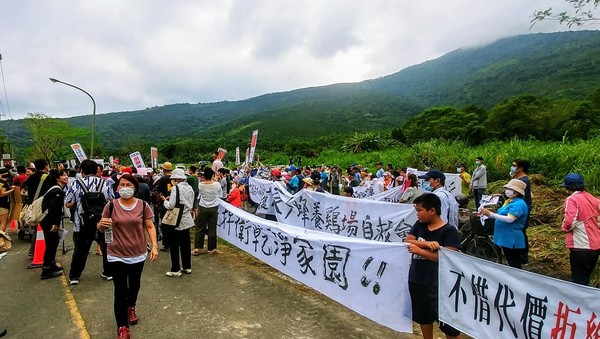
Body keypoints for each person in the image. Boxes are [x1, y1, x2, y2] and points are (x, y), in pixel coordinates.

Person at [97, 174, 158, 338]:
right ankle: (122, 327)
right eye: (122, 184)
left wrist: (154, 246)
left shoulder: (143, 206)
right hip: (116, 254)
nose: (125, 187)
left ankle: (131, 306)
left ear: (134, 188)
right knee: (120, 290)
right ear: (118, 188)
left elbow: (150, 226)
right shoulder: (110, 206)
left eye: (129, 185)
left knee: (135, 284)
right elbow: (101, 227)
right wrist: (101, 225)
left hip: (138, 253)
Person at [405, 193, 461, 339]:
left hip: (438, 284)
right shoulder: (420, 225)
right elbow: (408, 240)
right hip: (417, 279)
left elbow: (447, 258)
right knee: (423, 318)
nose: (417, 214)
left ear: (432, 211)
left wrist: (419, 251)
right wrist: (425, 244)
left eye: (419, 210)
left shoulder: (449, 231)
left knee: (448, 326)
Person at [65, 159, 114, 285]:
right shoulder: (105, 183)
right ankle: (108, 273)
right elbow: (112, 200)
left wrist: (80, 203)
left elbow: (68, 203)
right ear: (97, 170)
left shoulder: (76, 184)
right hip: (103, 222)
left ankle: (74, 276)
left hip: (82, 223)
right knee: (107, 248)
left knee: (80, 250)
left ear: (81, 171)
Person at [560, 173, 600, 286]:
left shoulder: (572, 199)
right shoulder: (593, 198)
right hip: (595, 245)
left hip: (581, 245)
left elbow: (569, 221)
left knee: (579, 280)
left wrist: (564, 228)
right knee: (586, 276)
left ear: (568, 188)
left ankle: (579, 303)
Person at [481, 179, 528, 269]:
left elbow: (510, 219)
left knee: (514, 263)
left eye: (510, 189)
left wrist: (491, 214)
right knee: (510, 260)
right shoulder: (510, 201)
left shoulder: (519, 204)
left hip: (511, 238)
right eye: (506, 188)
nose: (507, 191)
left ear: (517, 192)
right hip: (505, 237)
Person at [162, 169, 194, 277]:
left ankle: (175, 269)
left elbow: (171, 205)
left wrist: (165, 201)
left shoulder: (176, 188)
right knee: (186, 243)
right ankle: (187, 266)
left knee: (174, 244)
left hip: (176, 219)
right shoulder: (190, 188)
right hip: (187, 218)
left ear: (176, 179)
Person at [39, 169, 68, 280]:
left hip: (47, 220)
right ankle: (46, 270)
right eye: (64, 175)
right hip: (49, 221)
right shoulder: (56, 190)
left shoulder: (55, 188)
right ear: (57, 178)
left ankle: (52, 264)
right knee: (51, 244)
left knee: (54, 242)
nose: (66, 177)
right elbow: (53, 209)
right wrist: (55, 223)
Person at [193, 168, 223, 255]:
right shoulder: (217, 184)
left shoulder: (200, 185)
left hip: (203, 207)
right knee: (212, 228)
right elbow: (220, 195)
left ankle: (197, 248)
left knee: (200, 228)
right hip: (214, 207)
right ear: (212, 175)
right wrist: (215, 179)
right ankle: (211, 248)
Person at [510, 159, 532, 265]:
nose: (512, 167)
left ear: (521, 168)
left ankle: (522, 256)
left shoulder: (524, 180)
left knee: (521, 231)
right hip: (516, 207)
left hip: (521, 209)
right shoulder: (517, 177)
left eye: (514, 165)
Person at [155, 162, 173, 252]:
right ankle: (174, 243)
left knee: (165, 224)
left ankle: (167, 245)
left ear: (164, 169)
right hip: (173, 204)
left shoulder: (162, 179)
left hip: (164, 204)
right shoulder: (174, 179)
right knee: (173, 223)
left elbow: (159, 193)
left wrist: (157, 203)